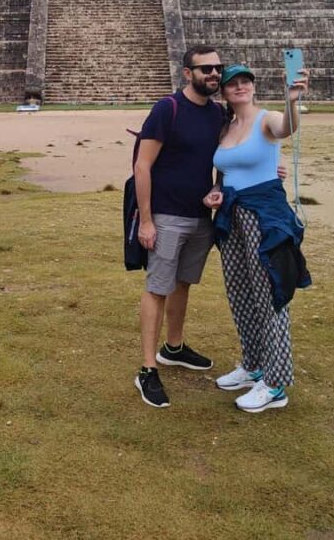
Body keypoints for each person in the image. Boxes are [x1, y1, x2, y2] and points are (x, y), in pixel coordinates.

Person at [203, 63, 311, 413]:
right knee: (240, 292)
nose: (240, 87)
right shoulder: (226, 127)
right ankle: (253, 365)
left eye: (246, 81)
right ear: (224, 92)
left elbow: (286, 128)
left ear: (253, 86)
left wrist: (292, 100)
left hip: (264, 216)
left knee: (270, 295)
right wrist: (215, 193)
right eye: (233, 83)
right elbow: (226, 172)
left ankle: (276, 383)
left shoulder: (267, 118)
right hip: (231, 216)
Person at [133, 45, 225, 408]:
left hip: (201, 217)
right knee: (158, 286)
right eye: (206, 69)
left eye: (218, 68)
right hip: (166, 215)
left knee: (183, 284)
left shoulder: (218, 114)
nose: (214, 74)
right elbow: (143, 166)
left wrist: (217, 188)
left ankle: (174, 347)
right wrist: (146, 219)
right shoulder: (166, 109)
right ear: (187, 73)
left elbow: (226, 158)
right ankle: (147, 369)